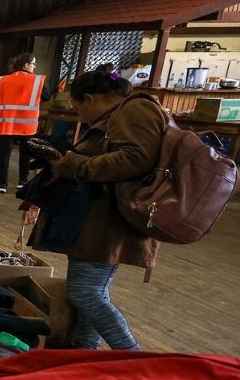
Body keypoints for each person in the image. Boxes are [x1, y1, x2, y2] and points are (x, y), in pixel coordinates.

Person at [29, 64, 164, 350]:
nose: (82, 117)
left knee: (86, 291)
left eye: (79, 109)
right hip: (98, 218)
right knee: (88, 290)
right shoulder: (122, 113)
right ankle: (82, 352)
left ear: (90, 99)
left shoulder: (135, 110)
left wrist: (75, 164)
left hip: (110, 220)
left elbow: (136, 158)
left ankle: (133, 358)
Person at [0, 52, 52, 193]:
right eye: (33, 64)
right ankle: (22, 181)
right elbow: (46, 97)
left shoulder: (2, 80)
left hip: (6, 122)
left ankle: (2, 184)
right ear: (26, 65)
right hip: (26, 123)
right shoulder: (36, 81)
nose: (34, 67)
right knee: (25, 152)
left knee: (4, 153)